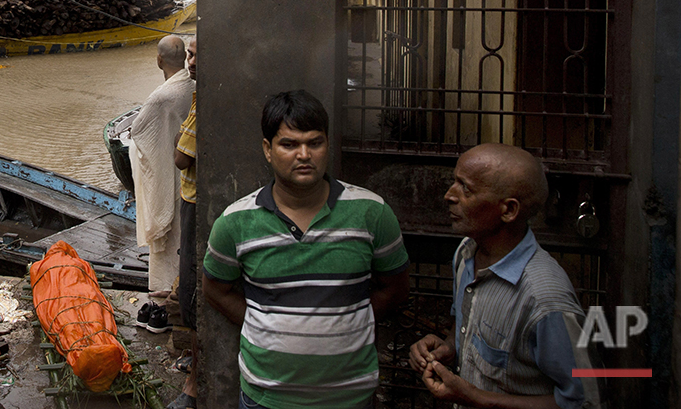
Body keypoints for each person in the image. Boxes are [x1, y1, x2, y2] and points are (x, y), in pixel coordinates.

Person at [203, 90, 410, 409]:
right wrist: (264, 323)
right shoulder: (234, 223)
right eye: (289, 144)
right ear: (267, 150)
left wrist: (351, 322)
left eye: (315, 142)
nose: (304, 154)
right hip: (266, 399)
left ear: (327, 145)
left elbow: (395, 289)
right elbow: (216, 290)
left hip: (351, 398)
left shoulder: (372, 213)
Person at [408, 144, 599, 408]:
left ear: (508, 210)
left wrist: (474, 398)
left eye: (466, 188)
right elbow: (465, 322)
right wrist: (450, 346)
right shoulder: (467, 252)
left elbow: (585, 402)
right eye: (455, 181)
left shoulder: (545, 300)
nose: (449, 195)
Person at [129, 34, 195, 295]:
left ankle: (164, 291)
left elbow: (139, 132)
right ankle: (180, 289)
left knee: (170, 236)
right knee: (183, 235)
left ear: (159, 61)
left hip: (171, 171)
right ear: (185, 59)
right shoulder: (192, 86)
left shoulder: (161, 97)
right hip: (185, 174)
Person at [170, 36, 199, 409]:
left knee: (192, 285)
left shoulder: (202, 102)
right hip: (192, 196)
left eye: (195, 55)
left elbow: (180, 157)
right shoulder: (197, 96)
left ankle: (195, 381)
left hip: (195, 200)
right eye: (187, 55)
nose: (190, 62)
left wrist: (180, 139)